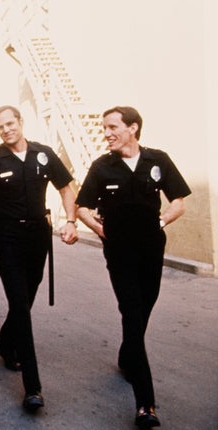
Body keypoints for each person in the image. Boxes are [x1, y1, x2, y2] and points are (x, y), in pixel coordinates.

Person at [76, 106, 190, 428]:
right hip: (120, 252)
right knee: (132, 312)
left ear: (133, 128)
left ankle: (128, 356)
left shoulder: (158, 160)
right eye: (105, 128)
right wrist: (99, 229)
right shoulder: (102, 167)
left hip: (151, 249)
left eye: (113, 127)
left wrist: (162, 219)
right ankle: (146, 405)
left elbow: (179, 201)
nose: (107, 133)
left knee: (142, 311)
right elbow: (82, 206)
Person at [0, 105, 78, 412]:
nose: (6, 130)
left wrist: (70, 220)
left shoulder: (43, 154)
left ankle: (4, 341)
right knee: (20, 304)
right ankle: (33, 387)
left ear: (21, 122)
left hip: (38, 235)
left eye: (10, 123)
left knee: (26, 298)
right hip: (7, 238)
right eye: (1, 126)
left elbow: (67, 187)